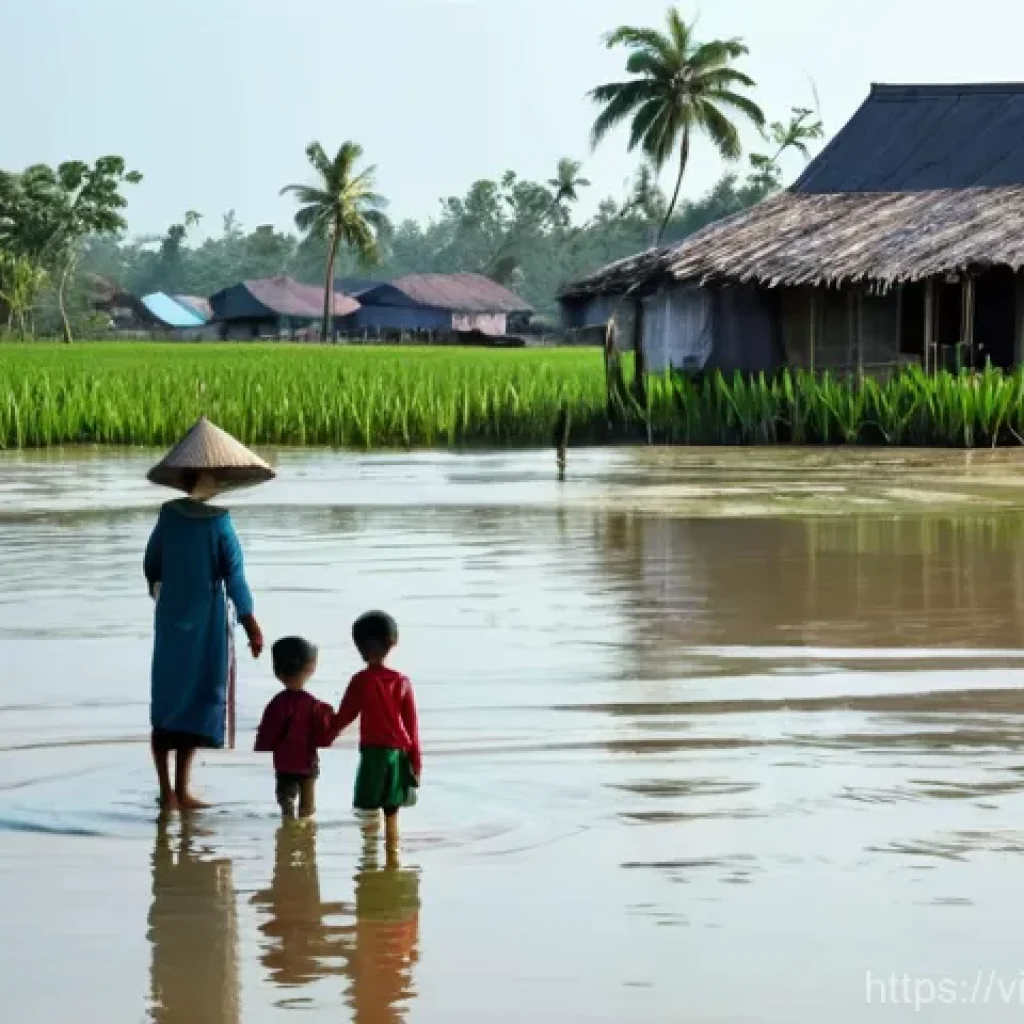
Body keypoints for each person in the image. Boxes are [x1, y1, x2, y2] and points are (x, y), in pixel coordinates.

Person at [144, 416, 273, 811]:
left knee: (168, 703)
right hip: (206, 624)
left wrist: (162, 592)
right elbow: (235, 579)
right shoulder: (220, 524)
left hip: (171, 621)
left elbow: (152, 564)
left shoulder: (168, 515)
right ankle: (181, 791)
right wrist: (251, 625)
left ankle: (169, 793)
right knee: (197, 700)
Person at [335, 612, 421, 861]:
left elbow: (344, 716)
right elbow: (412, 728)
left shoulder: (360, 681)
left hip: (373, 753)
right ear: (392, 643)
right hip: (398, 753)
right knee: (392, 809)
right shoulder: (402, 681)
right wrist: (416, 761)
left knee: (368, 807)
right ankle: (393, 853)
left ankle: (370, 853)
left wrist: (323, 733)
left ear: (359, 647)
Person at [255, 637, 337, 820]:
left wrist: (261, 747)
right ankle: (304, 827)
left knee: (285, 797)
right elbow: (323, 737)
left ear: (277, 671)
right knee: (307, 802)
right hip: (307, 763)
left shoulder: (276, 704)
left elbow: (266, 734)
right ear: (310, 669)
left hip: (283, 763)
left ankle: (288, 821)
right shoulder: (314, 705)